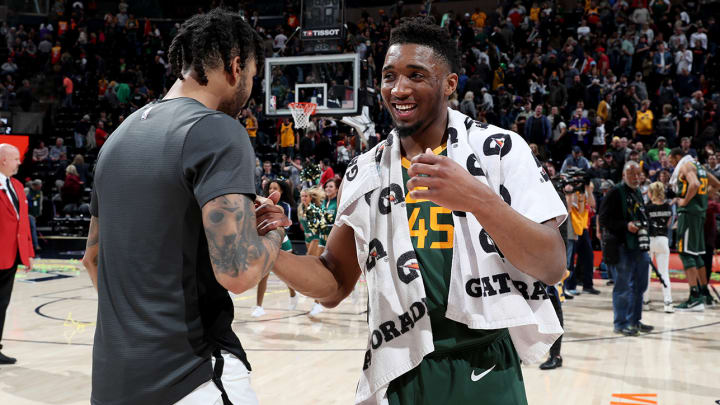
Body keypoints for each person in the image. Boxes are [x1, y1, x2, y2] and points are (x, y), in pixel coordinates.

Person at [263, 17, 567, 405]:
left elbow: (552, 265)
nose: (399, 88)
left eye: (416, 75)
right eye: (389, 76)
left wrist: (479, 200)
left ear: (450, 84)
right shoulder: (364, 171)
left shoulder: (500, 150)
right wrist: (268, 252)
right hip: (400, 367)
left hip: (485, 363)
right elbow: (334, 283)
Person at [81, 9, 289, 404]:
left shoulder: (118, 137)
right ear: (236, 67)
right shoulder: (218, 129)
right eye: (252, 76)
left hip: (113, 382)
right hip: (191, 377)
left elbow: (92, 258)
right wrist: (274, 232)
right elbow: (238, 272)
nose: (249, 88)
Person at [599, 161, 653, 336]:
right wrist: (626, 225)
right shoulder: (615, 192)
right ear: (624, 175)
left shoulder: (638, 192)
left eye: (638, 174)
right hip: (621, 246)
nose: (636, 178)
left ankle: (634, 321)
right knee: (623, 287)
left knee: (640, 285)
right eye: (632, 174)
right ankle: (620, 323)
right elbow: (603, 219)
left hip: (639, 246)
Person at [668, 148, 720, 311]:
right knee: (696, 254)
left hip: (689, 214)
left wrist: (684, 202)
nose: (671, 164)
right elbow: (717, 185)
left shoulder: (686, 166)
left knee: (686, 253)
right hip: (699, 214)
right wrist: (703, 198)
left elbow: (695, 184)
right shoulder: (700, 168)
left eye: (671, 160)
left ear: (677, 157)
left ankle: (694, 297)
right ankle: (704, 294)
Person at [0, 144, 34, 365]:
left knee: (2, 304)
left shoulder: (18, 186)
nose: (19, 162)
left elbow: (23, 224)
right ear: (3, 160)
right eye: (15, 158)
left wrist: (27, 253)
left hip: (11, 257)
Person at [252, 179, 298, 316]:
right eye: (270, 188)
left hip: (282, 242)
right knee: (263, 274)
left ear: (281, 191)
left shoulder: (284, 206)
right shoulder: (262, 204)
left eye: (275, 188)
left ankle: (293, 294)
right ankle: (259, 307)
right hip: (268, 242)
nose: (272, 190)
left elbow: (285, 224)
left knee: (286, 275)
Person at [644, 182, 674, 313]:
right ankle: (668, 302)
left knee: (646, 273)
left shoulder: (647, 207)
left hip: (649, 240)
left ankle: (645, 301)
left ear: (650, 193)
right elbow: (668, 224)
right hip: (663, 240)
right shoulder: (668, 206)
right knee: (664, 273)